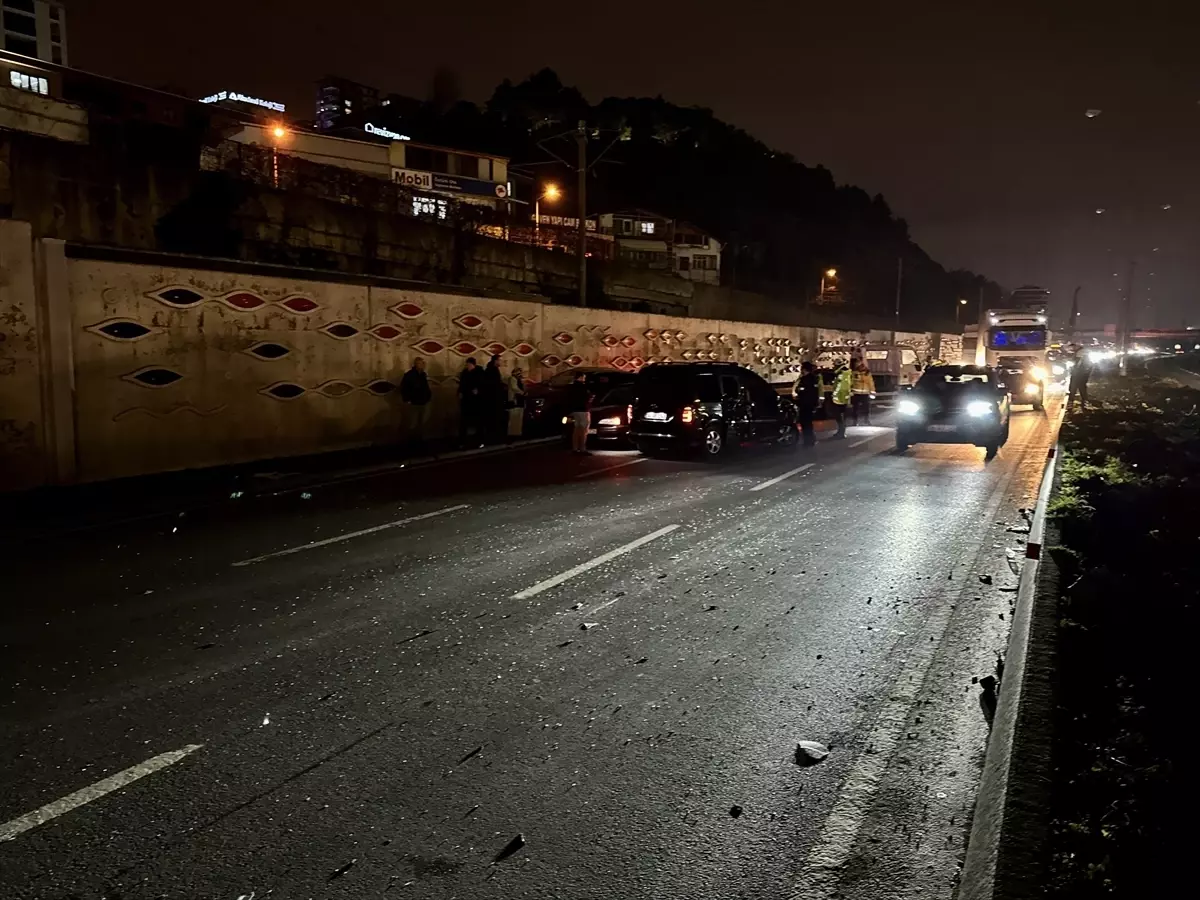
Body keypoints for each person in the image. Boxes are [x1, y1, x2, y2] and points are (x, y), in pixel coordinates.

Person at [399, 357, 433, 449]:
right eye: (419, 364)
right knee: (413, 423)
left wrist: (428, 397)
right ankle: (411, 443)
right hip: (414, 402)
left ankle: (419, 441)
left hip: (423, 402)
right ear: (415, 364)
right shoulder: (409, 375)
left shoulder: (423, 375)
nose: (421, 365)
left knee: (421, 423)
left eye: (422, 364)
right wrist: (407, 399)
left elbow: (425, 387)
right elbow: (403, 388)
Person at [458, 357, 486, 446]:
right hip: (466, 400)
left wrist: (478, 390)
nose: (467, 366)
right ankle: (463, 441)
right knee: (464, 421)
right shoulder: (465, 373)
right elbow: (461, 384)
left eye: (469, 365)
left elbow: (484, 385)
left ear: (473, 364)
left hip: (476, 401)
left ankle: (480, 440)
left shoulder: (480, 373)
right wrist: (460, 392)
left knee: (478, 421)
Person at [793, 361, 822, 447]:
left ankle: (808, 441)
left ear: (804, 369)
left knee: (806, 423)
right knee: (807, 423)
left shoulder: (806, 379)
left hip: (805, 404)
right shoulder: (813, 378)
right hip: (809, 404)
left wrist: (798, 400)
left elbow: (804, 393)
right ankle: (810, 440)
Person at [566, 372, 592, 454]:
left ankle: (575, 448)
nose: (584, 379)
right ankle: (582, 449)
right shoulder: (583, 387)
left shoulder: (571, 387)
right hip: (583, 410)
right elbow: (587, 398)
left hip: (575, 411)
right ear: (580, 377)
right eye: (583, 377)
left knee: (576, 430)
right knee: (584, 430)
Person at [483, 354, 507, 443]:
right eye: (500, 360)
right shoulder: (492, 370)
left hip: (492, 399)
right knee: (494, 418)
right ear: (496, 361)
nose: (501, 362)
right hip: (493, 399)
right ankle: (494, 438)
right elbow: (493, 385)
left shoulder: (490, 369)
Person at [850, 358, 876, 426]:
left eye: (858, 363)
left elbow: (870, 382)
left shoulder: (867, 373)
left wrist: (872, 391)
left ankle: (866, 420)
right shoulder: (853, 373)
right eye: (856, 363)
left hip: (865, 393)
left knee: (866, 408)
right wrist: (850, 391)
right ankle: (855, 422)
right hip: (856, 393)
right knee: (855, 408)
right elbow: (850, 382)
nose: (857, 364)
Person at [830, 361, 852, 439]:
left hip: (839, 398)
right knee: (841, 416)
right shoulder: (846, 373)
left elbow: (839, 386)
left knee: (839, 417)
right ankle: (841, 432)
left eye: (834, 365)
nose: (833, 367)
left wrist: (834, 394)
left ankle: (841, 433)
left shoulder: (841, 374)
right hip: (843, 398)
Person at [506, 365, 526, 440]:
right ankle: (512, 434)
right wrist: (522, 393)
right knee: (514, 417)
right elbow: (515, 388)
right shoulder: (512, 379)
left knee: (519, 417)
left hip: (520, 400)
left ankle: (517, 433)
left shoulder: (519, 379)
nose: (520, 374)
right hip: (514, 400)